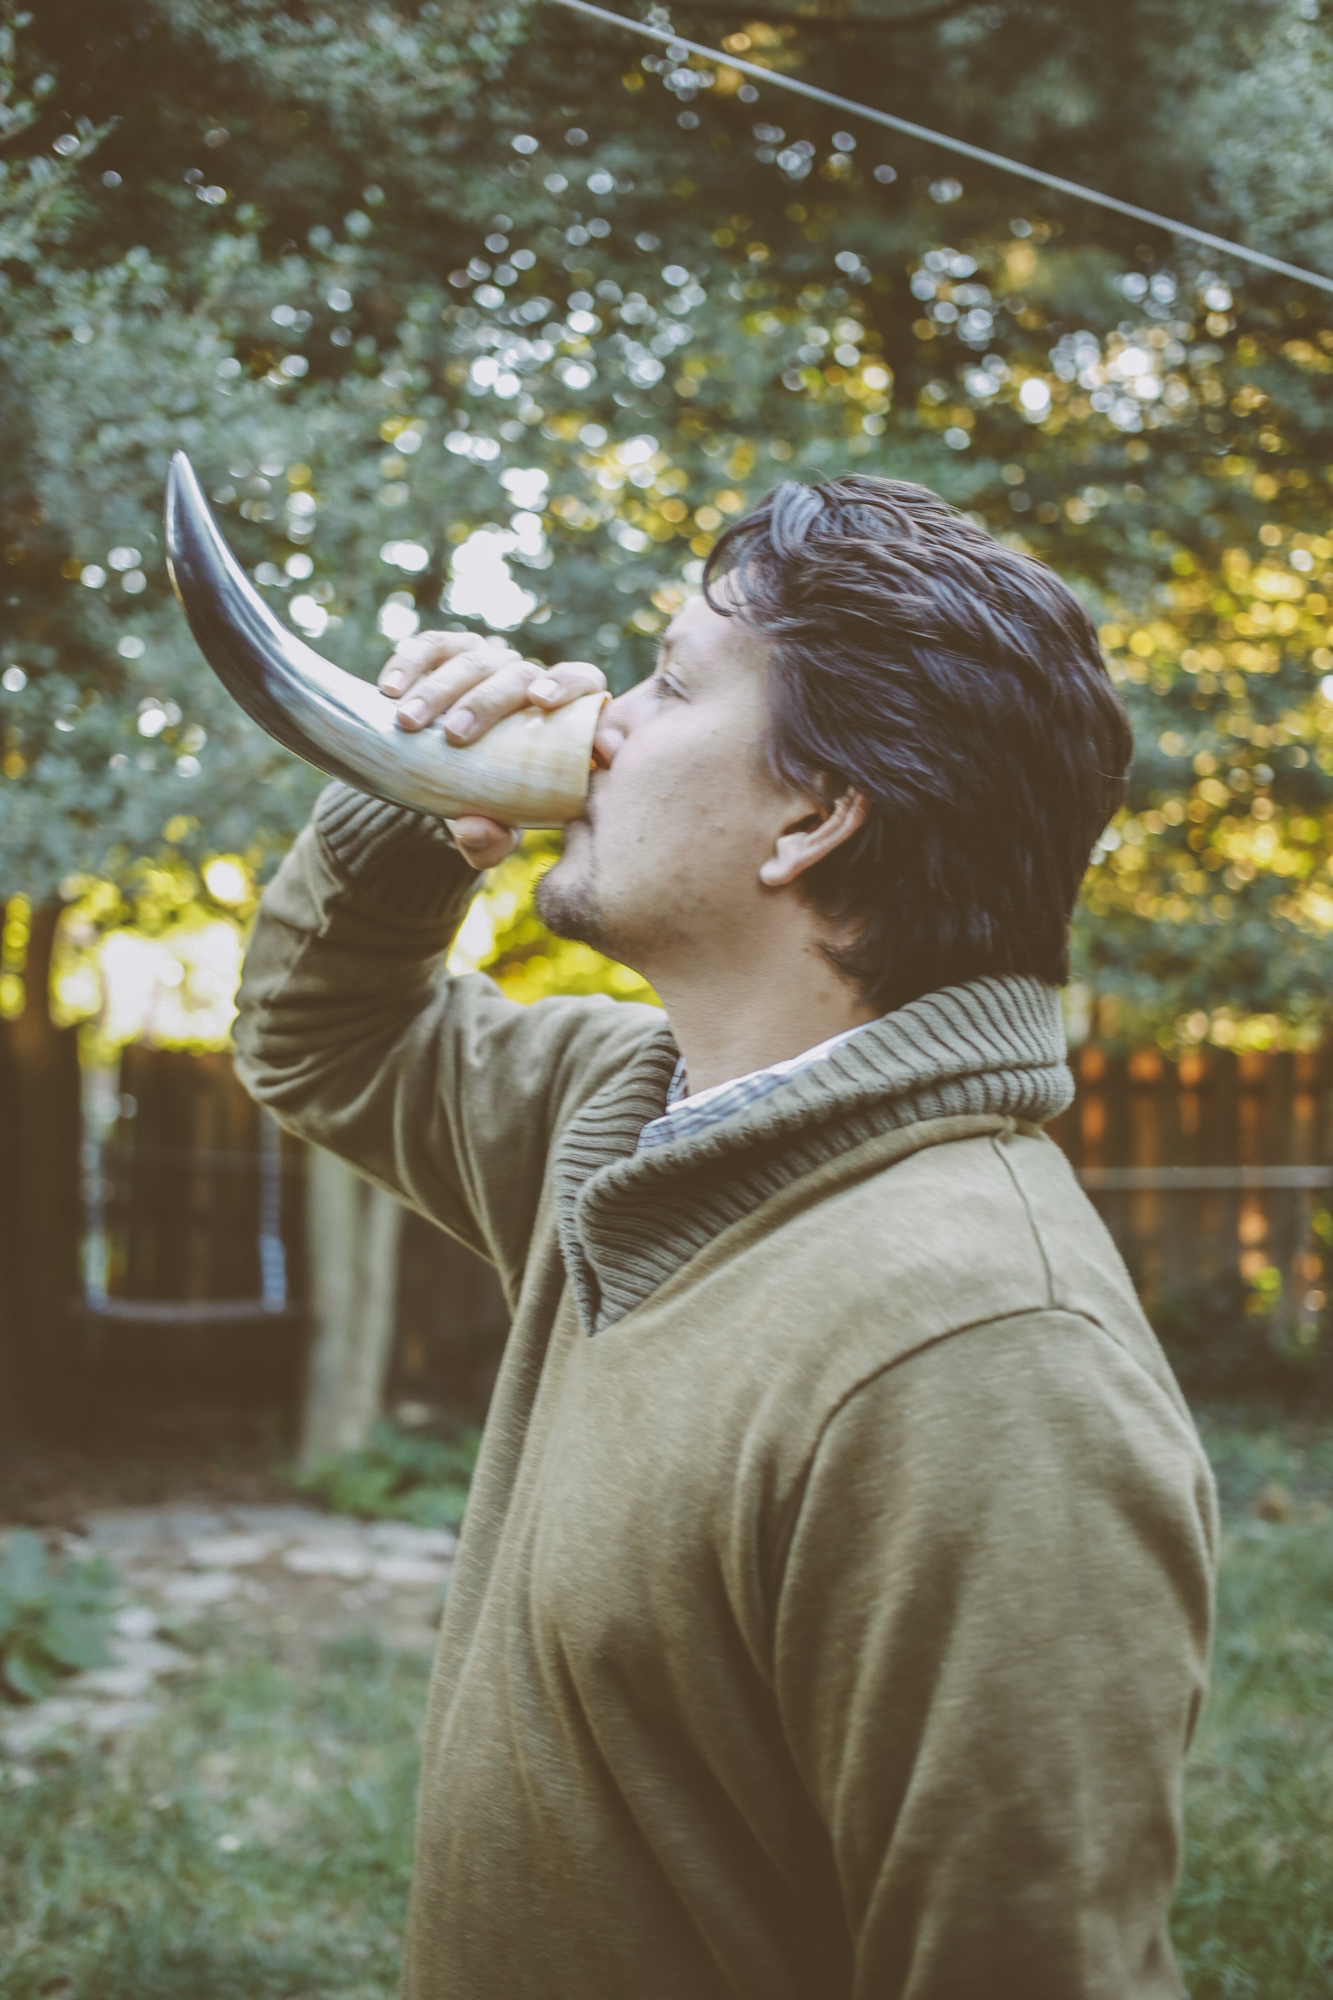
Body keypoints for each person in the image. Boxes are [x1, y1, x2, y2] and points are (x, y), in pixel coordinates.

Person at [234, 475, 1217, 1999]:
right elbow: (324, 1041)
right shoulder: (635, 1115)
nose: (598, 717)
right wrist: (420, 803)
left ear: (813, 817)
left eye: (669, 679)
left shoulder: (980, 1358)